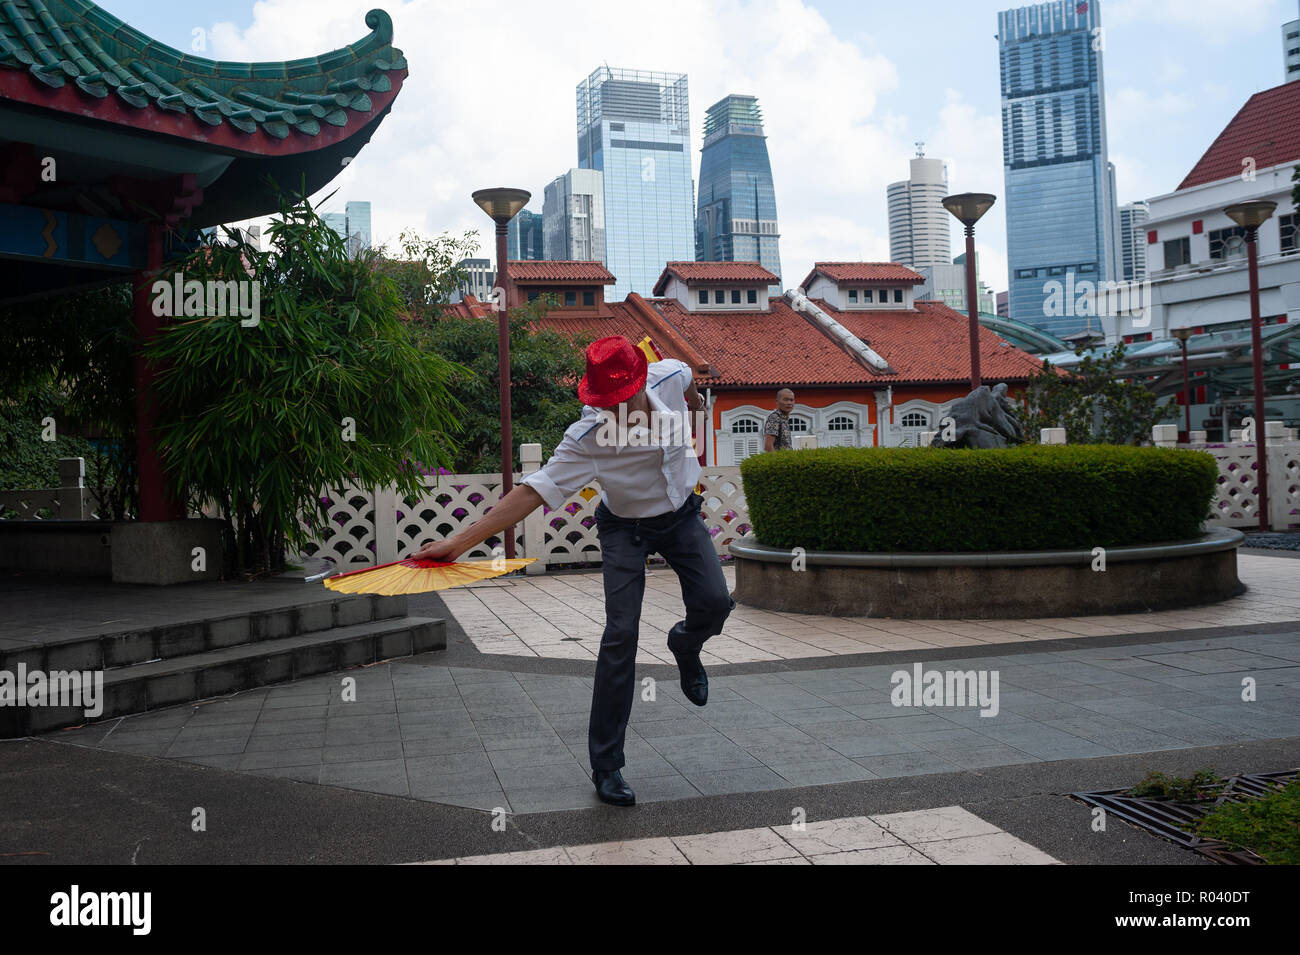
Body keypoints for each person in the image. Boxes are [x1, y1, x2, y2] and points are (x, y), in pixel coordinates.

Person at [411, 335, 733, 807]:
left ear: (643, 382)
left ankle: (685, 644)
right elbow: (530, 493)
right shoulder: (585, 439)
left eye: (622, 401)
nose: (615, 413)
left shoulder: (669, 375)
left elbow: (687, 379)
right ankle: (607, 766)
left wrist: (695, 404)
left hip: (682, 518)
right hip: (625, 530)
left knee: (715, 604)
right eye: (606, 404)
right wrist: (458, 543)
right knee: (620, 635)